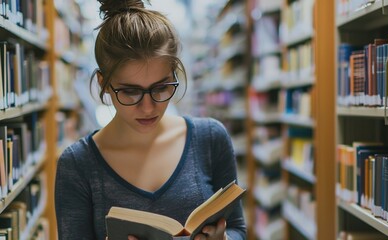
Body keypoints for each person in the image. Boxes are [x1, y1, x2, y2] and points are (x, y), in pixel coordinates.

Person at [54, 0, 247, 240]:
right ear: (104, 84)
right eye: (130, 92)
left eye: (161, 87)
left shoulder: (210, 138)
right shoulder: (77, 165)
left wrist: (223, 239)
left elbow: (237, 228)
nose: (148, 108)